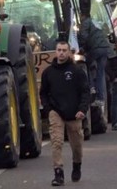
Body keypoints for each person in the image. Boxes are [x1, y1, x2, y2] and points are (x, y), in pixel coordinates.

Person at [40, 40, 89, 186]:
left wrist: (82, 109)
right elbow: (43, 93)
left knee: (77, 144)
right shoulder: (48, 72)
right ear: (55, 52)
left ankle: (77, 165)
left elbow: (85, 92)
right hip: (56, 112)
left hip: (74, 112)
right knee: (56, 141)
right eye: (59, 50)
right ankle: (58, 173)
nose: (61, 53)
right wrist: (48, 109)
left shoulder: (77, 71)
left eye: (64, 50)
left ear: (68, 52)